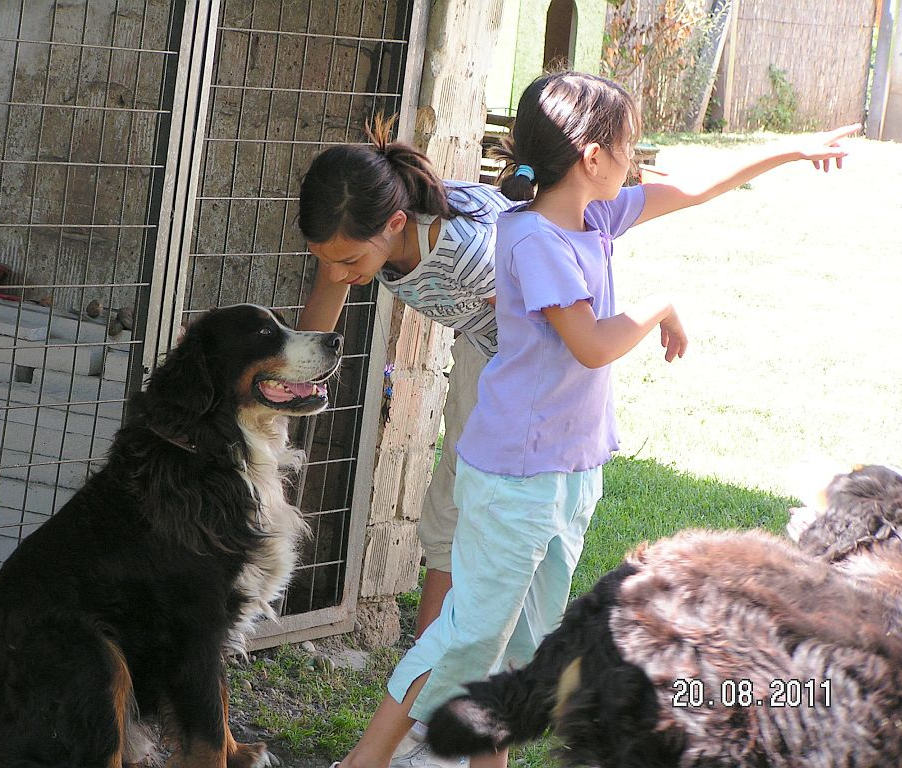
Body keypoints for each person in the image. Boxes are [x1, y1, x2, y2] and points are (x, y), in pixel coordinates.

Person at [332, 71, 857, 768]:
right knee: (467, 634)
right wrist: (663, 303)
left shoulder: (594, 217)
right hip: (515, 478)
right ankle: (364, 762)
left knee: (526, 646)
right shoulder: (533, 240)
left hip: (570, 472)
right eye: (627, 146)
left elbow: (693, 188)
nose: (633, 160)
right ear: (590, 157)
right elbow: (591, 344)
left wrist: (795, 149)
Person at [297, 120, 511, 650]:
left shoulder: (465, 252)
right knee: (450, 518)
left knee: (470, 517)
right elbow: (314, 335)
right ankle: (425, 681)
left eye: (347, 261)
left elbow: (558, 307)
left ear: (395, 224)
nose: (338, 273)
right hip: (484, 346)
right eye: (325, 260)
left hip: (529, 362)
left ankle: (432, 684)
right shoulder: (357, 234)